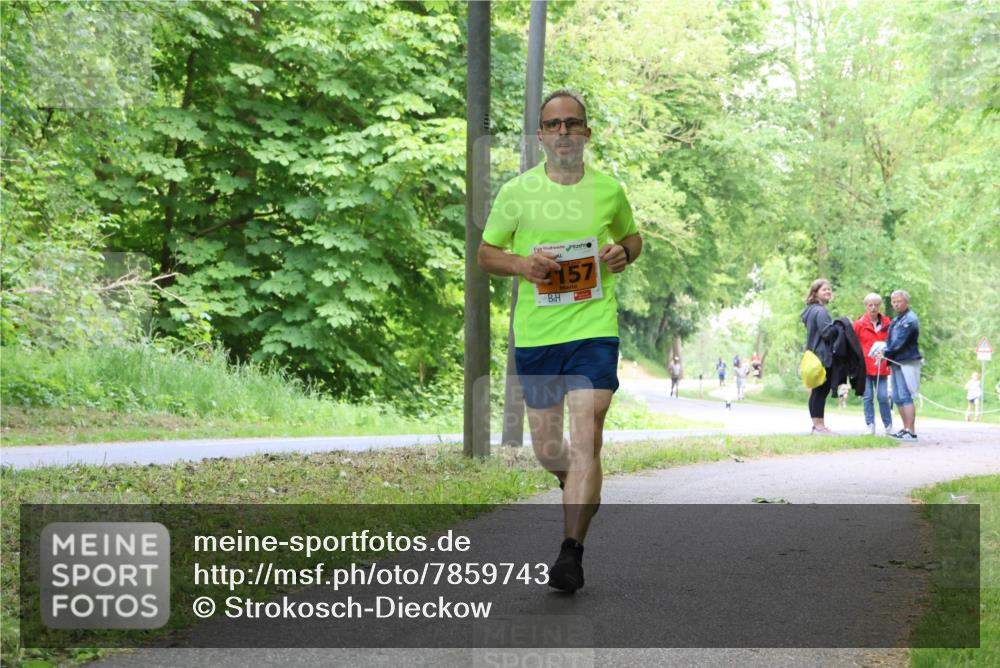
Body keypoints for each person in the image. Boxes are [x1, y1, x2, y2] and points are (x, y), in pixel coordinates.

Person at [477, 89, 642, 593]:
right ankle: (575, 482)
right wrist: (522, 265)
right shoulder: (517, 192)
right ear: (541, 135)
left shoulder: (608, 190)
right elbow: (486, 254)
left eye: (573, 124)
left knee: (587, 427)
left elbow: (632, 238)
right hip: (538, 336)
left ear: (586, 133)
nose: (564, 132)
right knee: (551, 450)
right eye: (554, 124)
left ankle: (571, 551)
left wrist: (623, 255)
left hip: (594, 329)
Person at [878, 290, 923, 441]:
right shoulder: (897, 319)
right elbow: (890, 340)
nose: (896, 304)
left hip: (907, 362)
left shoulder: (910, 319)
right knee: (897, 396)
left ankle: (911, 431)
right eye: (893, 301)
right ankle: (905, 429)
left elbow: (899, 343)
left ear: (906, 302)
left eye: (899, 301)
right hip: (896, 362)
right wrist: (884, 350)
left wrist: (884, 352)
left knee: (905, 395)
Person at [852, 293, 893, 435]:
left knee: (882, 397)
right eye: (870, 305)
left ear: (880, 306)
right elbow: (853, 345)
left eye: (876, 305)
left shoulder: (887, 324)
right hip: (864, 368)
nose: (873, 308)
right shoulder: (858, 324)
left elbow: (892, 343)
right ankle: (870, 425)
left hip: (881, 367)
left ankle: (888, 426)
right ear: (866, 306)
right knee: (868, 397)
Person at [801, 278, 835, 434]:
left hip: (812, 354)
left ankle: (817, 425)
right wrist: (840, 325)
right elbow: (827, 333)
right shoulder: (820, 311)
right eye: (824, 290)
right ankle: (819, 426)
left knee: (816, 392)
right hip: (822, 356)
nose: (828, 292)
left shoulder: (810, 310)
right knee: (821, 391)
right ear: (815, 293)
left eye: (829, 289)